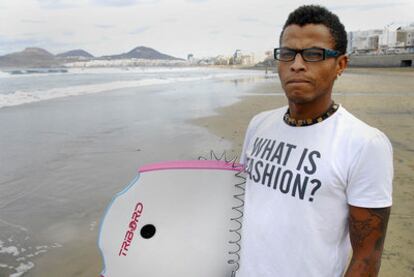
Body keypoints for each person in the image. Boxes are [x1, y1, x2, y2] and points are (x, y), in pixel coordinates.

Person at [238, 5, 393, 277]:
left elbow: (367, 259)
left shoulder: (365, 144)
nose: (296, 64)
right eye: (287, 54)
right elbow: (241, 204)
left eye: (313, 54)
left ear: (340, 65)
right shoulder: (259, 124)